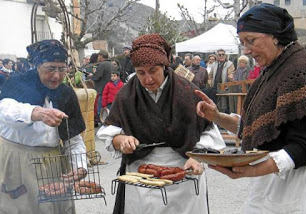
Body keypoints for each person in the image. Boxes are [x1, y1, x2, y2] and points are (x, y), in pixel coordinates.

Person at [195, 3, 306, 213]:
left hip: (294, 189)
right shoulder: (272, 69)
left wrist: (248, 171)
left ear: (274, 36)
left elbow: (305, 148)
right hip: (271, 186)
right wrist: (217, 116)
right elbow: (255, 127)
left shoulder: (301, 70)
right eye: (243, 43)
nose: (246, 50)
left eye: (251, 41)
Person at [97, 34, 225, 214]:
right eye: (141, 72)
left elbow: (209, 131)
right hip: (140, 174)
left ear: (164, 66)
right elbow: (110, 131)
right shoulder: (126, 95)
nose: (148, 79)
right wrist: (121, 140)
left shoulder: (188, 91)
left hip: (184, 171)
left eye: (153, 70)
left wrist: (198, 156)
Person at [0, 39, 87, 214]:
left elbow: (74, 140)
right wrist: (35, 112)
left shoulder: (66, 94)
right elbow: (5, 110)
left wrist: (80, 167)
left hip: (53, 163)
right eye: (50, 68)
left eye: (62, 69)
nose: (56, 75)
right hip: (17, 162)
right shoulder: (18, 83)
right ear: (37, 65)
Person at [208, 49, 235, 113]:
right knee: (207, 93)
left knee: (224, 106)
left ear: (225, 56)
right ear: (217, 56)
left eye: (223, 54)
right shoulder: (214, 64)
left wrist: (230, 76)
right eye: (220, 55)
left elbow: (231, 73)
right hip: (215, 87)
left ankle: (225, 117)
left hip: (225, 87)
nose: (221, 56)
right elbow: (210, 76)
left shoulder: (230, 64)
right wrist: (210, 83)